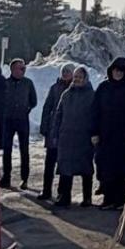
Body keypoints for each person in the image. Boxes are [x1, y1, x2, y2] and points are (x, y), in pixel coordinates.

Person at [92, 57, 125, 209]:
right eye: (115, 70)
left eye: (121, 71)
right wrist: (94, 132)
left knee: (120, 169)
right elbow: (95, 111)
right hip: (105, 135)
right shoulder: (103, 88)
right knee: (106, 168)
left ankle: (119, 201)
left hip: (123, 135)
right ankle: (108, 199)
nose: (118, 73)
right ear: (111, 70)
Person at [51, 66, 96, 207]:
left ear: (85, 79)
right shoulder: (66, 94)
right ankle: (64, 197)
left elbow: (96, 117)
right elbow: (58, 115)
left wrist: (95, 133)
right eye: (75, 77)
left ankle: (87, 198)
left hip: (84, 138)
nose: (77, 79)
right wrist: (55, 133)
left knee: (86, 168)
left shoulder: (92, 95)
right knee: (65, 168)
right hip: (66, 137)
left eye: (80, 77)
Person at [37, 63, 74, 200]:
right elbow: (47, 108)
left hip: (67, 132)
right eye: (63, 71)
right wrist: (44, 127)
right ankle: (46, 190)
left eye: (68, 72)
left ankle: (63, 192)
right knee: (49, 163)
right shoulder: (54, 88)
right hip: (53, 132)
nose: (65, 74)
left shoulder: (74, 89)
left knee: (65, 165)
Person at [0, 58, 38, 190]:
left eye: (24, 68)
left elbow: (34, 101)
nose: (23, 70)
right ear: (13, 69)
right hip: (8, 121)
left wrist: (26, 109)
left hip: (22, 120)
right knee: (7, 150)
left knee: (24, 150)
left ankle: (25, 178)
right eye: (20, 68)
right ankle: (6, 177)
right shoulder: (5, 84)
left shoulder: (28, 83)